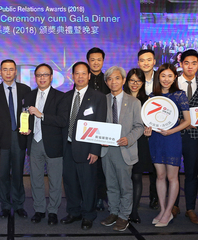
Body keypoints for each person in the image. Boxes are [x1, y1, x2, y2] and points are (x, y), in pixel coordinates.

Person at [60, 62, 107, 230]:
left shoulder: (99, 97)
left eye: (83, 73)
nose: (80, 76)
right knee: (70, 182)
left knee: (87, 184)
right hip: (68, 146)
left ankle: (88, 214)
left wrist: (96, 150)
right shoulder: (66, 97)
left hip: (88, 149)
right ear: (72, 76)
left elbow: (100, 123)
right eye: (76, 73)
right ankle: (74, 212)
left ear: (89, 76)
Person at [145, 63, 191, 227]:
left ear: (175, 77)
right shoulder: (152, 96)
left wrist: (171, 131)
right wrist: (147, 131)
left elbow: (188, 121)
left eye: (170, 76)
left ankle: (168, 211)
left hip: (172, 139)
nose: (166, 79)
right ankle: (163, 210)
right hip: (156, 139)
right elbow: (148, 119)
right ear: (158, 77)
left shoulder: (179, 95)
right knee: (160, 176)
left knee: (172, 177)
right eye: (163, 76)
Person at [22, 63, 67, 225]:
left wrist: (42, 115)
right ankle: (39, 209)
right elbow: (25, 116)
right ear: (35, 77)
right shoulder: (29, 96)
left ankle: (53, 211)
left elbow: (62, 121)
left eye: (45, 75)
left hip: (53, 144)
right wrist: (25, 129)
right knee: (36, 179)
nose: (42, 78)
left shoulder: (60, 97)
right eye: (39, 75)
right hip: (33, 142)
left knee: (55, 180)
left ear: (51, 77)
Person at [100, 66, 143, 231]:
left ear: (124, 80)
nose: (113, 82)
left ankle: (124, 216)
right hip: (106, 150)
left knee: (125, 185)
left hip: (125, 150)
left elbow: (139, 126)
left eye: (117, 78)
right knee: (110, 184)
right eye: (110, 79)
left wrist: (129, 139)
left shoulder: (134, 102)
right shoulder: (102, 100)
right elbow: (97, 126)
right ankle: (113, 212)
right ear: (106, 82)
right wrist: (99, 138)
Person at [0, 59, 31, 219]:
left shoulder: (25, 90)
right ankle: (5, 205)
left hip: (19, 137)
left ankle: (19, 205)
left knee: (19, 174)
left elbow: (28, 114)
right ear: (0, 72)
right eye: (5, 69)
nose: (8, 72)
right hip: (2, 139)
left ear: (15, 72)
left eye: (11, 69)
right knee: (4, 174)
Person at [174, 49, 198, 224]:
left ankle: (190, 209)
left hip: (194, 136)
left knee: (192, 173)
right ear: (181, 64)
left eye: (193, 63)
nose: (190, 66)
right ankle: (172, 206)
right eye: (186, 63)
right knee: (171, 173)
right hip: (173, 135)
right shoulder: (172, 83)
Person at [123, 68, 154, 223]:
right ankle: (122, 209)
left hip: (140, 142)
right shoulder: (119, 97)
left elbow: (150, 123)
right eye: (132, 80)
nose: (135, 84)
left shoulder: (148, 101)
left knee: (136, 177)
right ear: (127, 81)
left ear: (143, 83)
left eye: (138, 81)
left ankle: (134, 211)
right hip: (121, 141)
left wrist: (149, 131)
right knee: (122, 177)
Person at [86, 47, 110, 212]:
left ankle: (101, 198)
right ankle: (87, 197)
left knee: (102, 166)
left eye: (99, 59)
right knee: (87, 165)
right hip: (86, 129)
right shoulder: (82, 78)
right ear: (88, 61)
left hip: (104, 128)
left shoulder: (109, 80)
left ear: (103, 61)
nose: (95, 62)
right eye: (92, 59)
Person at [137, 49, 159, 210]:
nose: (146, 63)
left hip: (159, 129)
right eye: (142, 60)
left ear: (154, 61)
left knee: (156, 167)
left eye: (149, 60)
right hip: (138, 130)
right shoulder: (134, 78)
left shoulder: (162, 78)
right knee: (137, 167)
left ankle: (155, 197)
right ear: (138, 63)